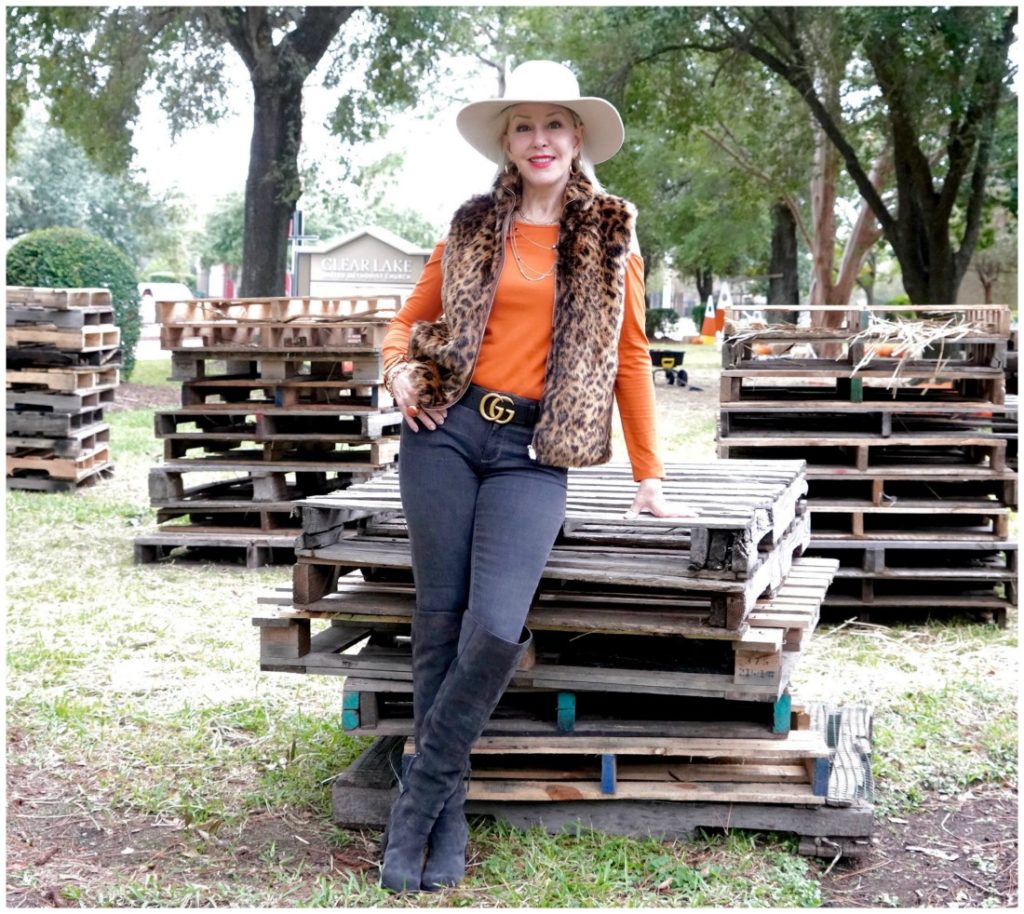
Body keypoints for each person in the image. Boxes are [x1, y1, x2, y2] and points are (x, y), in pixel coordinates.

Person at [376, 59, 698, 893]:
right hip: (444, 433)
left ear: (579, 138)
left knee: (493, 625)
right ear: (508, 143)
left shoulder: (612, 233)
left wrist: (648, 475)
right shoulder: (473, 224)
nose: (541, 139)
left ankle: (418, 797)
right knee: (438, 620)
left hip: (534, 453)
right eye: (525, 125)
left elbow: (630, 357)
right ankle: (439, 827)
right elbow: (407, 323)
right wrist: (399, 374)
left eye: (556, 123)